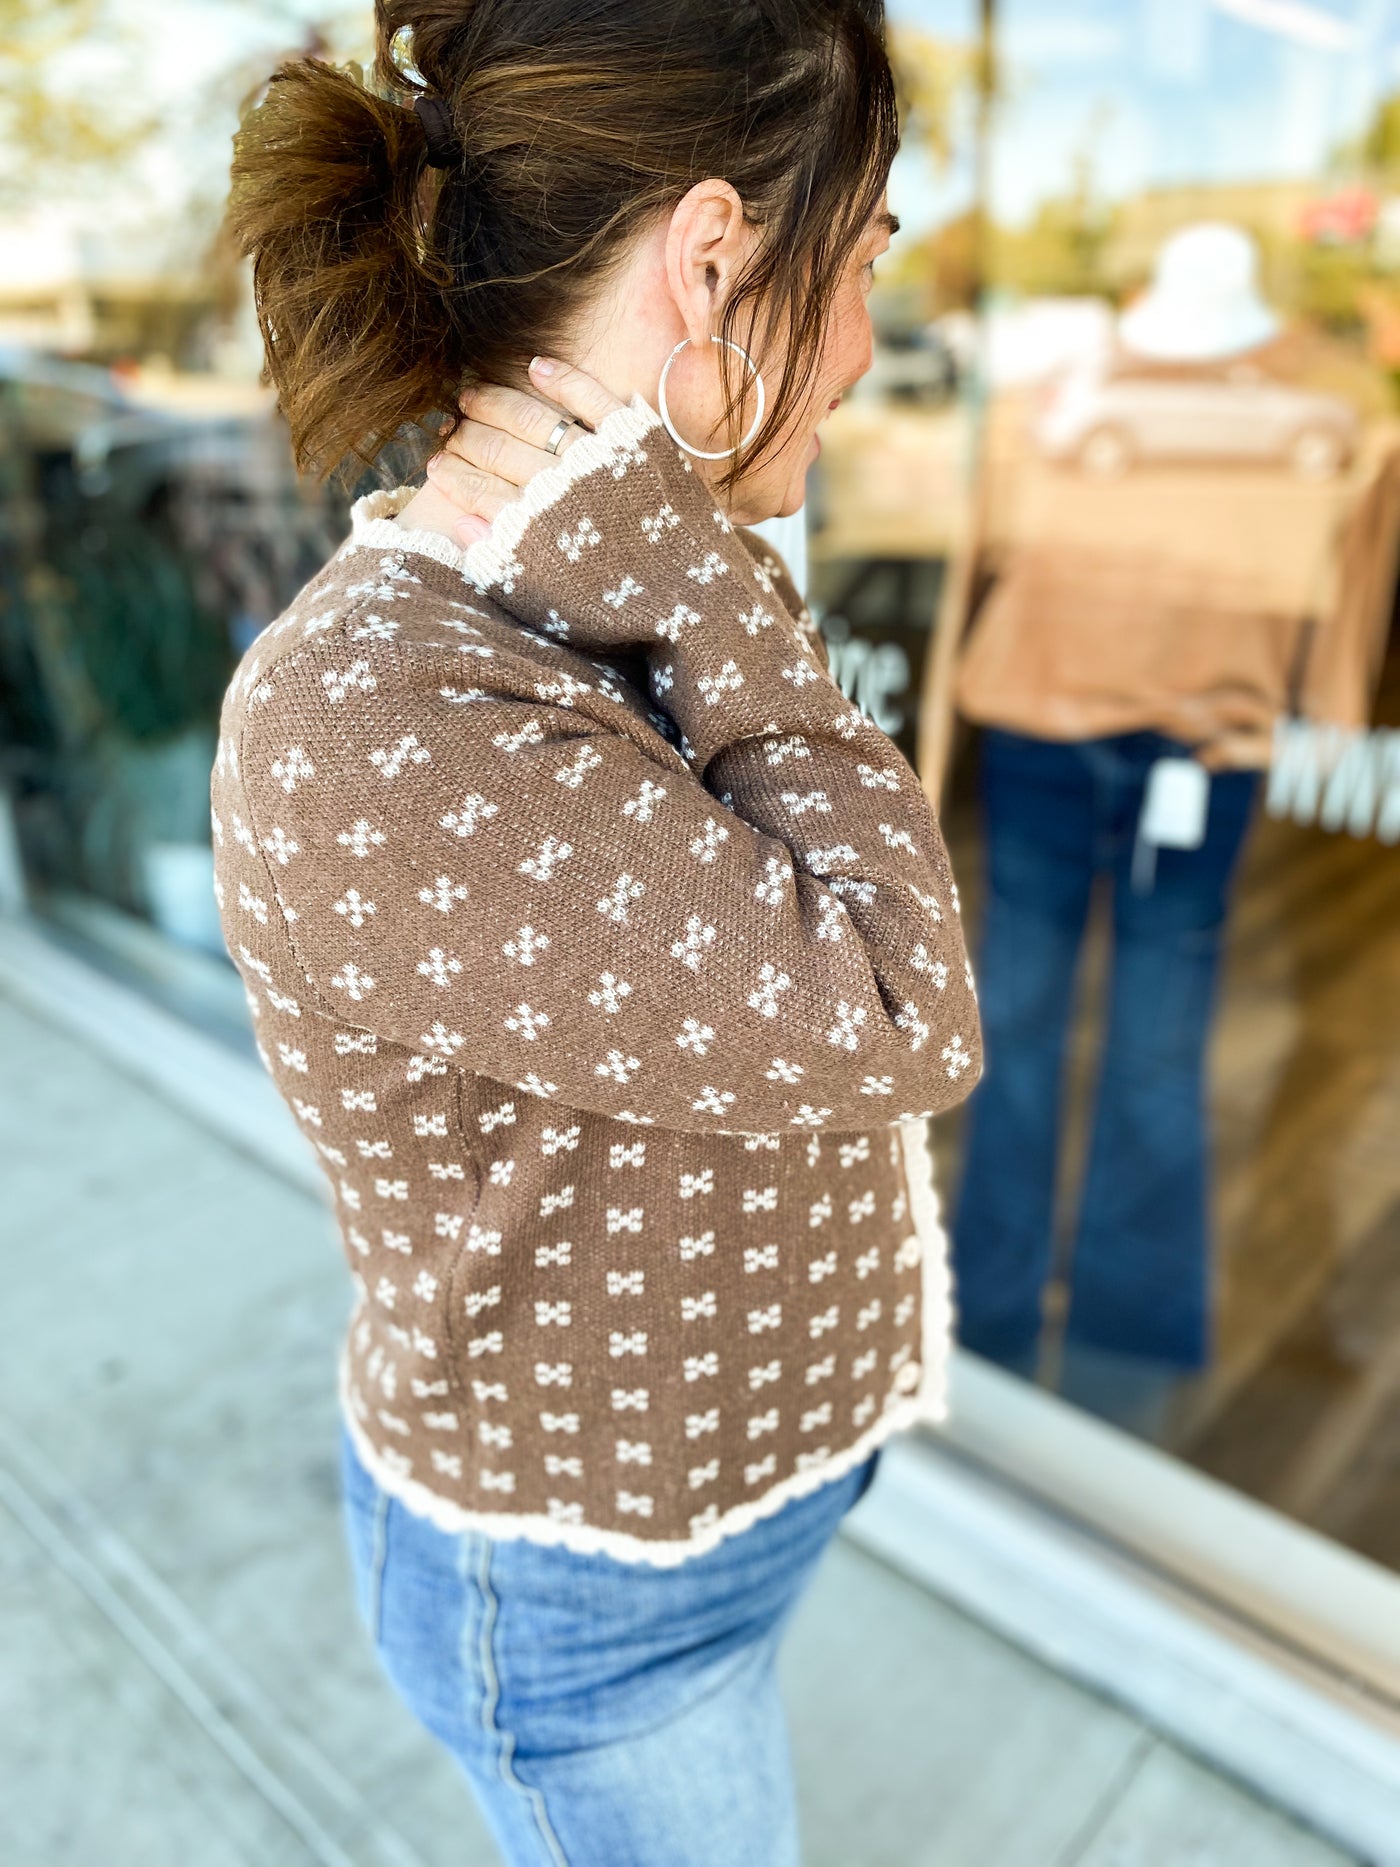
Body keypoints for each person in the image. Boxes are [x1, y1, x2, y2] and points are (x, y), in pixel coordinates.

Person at [216, 4, 981, 1863]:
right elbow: (898, 1008)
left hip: (717, 1524)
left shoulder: (627, 572)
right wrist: (715, 596)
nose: (869, 347)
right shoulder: (383, 715)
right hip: (593, 1623)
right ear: (715, 264)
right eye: (863, 258)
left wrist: (693, 579)